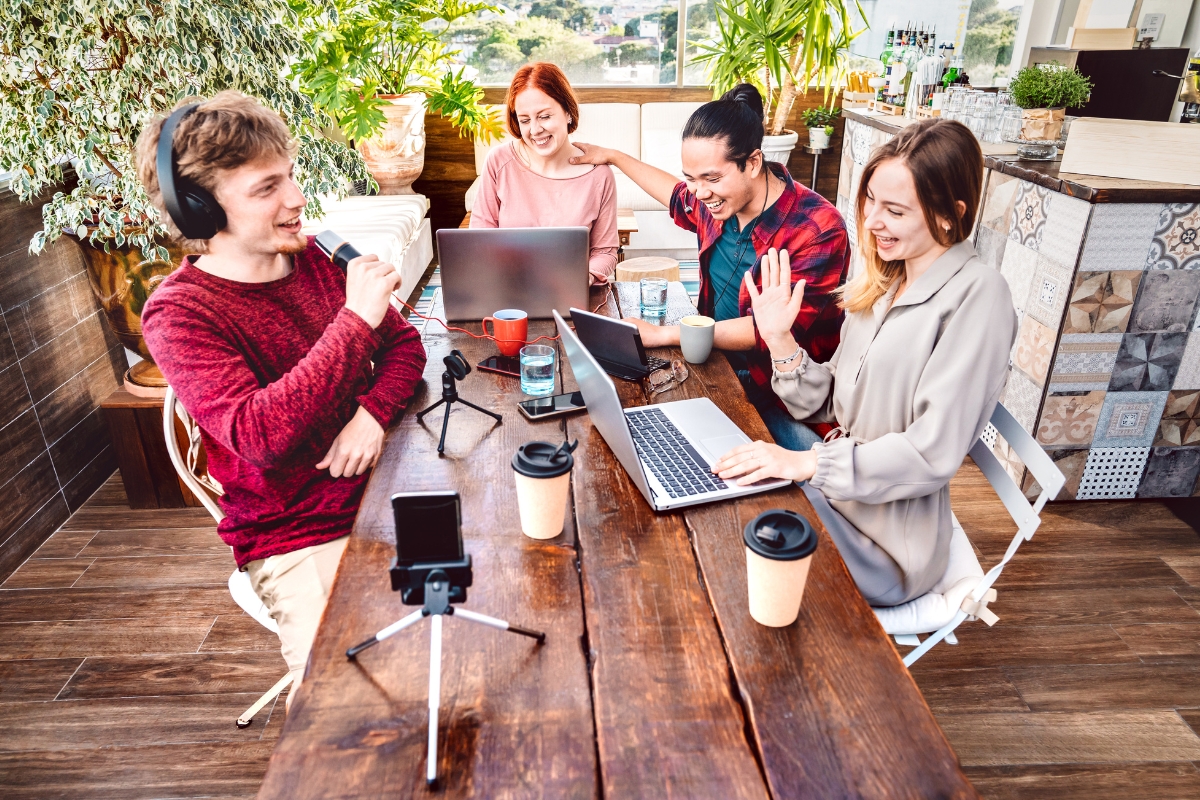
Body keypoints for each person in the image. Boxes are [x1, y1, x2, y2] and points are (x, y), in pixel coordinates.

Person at [137, 92, 427, 703]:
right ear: (200, 211)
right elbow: (262, 437)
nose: (296, 198)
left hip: (390, 483)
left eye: (290, 174)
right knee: (344, 701)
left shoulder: (320, 255)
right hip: (299, 527)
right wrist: (353, 322)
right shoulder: (180, 314)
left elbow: (406, 349)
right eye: (267, 187)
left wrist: (371, 416)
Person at [713, 119, 1016, 607]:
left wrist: (809, 462)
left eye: (894, 210)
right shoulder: (885, 283)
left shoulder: (979, 297)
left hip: (887, 547)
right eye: (871, 200)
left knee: (726, 544)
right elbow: (828, 397)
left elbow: (931, 454)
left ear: (948, 214)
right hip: (840, 497)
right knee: (719, 500)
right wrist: (780, 338)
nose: (872, 221)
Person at [569, 84, 849, 450]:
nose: (699, 193)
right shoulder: (715, 201)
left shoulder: (818, 228)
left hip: (783, 394)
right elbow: (673, 193)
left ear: (752, 162)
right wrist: (613, 156)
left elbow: (777, 331)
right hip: (713, 367)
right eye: (692, 178)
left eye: (712, 179)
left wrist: (668, 334)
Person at [471, 61, 619, 285]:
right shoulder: (498, 161)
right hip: (507, 290)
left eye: (544, 116)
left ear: (568, 112)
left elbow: (605, 253)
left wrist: (583, 276)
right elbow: (479, 239)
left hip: (571, 293)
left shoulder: (599, 175)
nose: (535, 130)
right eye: (525, 120)